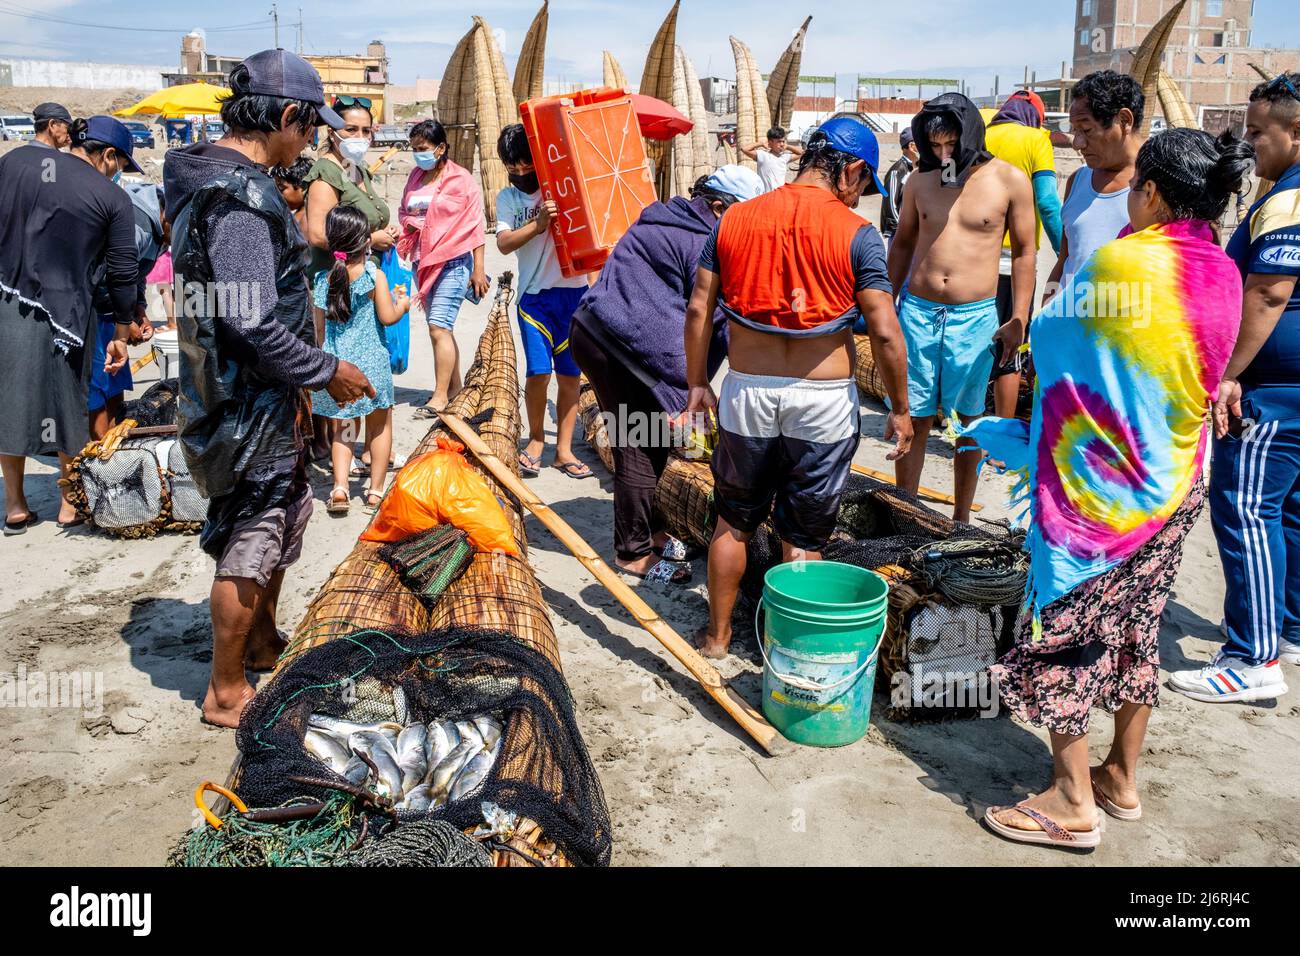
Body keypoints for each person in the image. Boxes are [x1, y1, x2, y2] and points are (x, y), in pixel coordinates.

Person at [962, 129, 1250, 848]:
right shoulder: (1221, 269)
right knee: (1135, 632)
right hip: (1177, 484)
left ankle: (1070, 801)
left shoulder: (1125, 261)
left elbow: (1055, 340)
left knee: (1064, 634)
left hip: (1100, 502)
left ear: (1150, 191)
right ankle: (1120, 779)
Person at [164, 50, 373, 726]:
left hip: (249, 395)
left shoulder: (215, 182)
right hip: (243, 404)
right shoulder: (242, 198)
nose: (311, 141)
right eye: (310, 128)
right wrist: (326, 370)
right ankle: (226, 690)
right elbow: (251, 324)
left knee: (282, 518)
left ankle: (260, 642)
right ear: (286, 117)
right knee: (250, 539)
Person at [684, 116, 913, 659]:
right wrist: (901, 408)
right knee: (804, 536)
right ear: (852, 171)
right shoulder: (857, 235)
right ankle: (788, 649)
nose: (860, 199)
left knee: (733, 520)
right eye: (863, 186)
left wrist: (697, 383)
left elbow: (698, 307)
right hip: (823, 401)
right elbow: (884, 330)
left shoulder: (735, 218)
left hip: (747, 392)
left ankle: (716, 639)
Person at [1170, 72, 1300, 703]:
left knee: (1247, 508)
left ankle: (1252, 656)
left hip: (1272, 390)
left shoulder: (1288, 201)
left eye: (1258, 131)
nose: (1252, 143)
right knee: (1289, 509)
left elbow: (1270, 291)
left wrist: (1229, 375)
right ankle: (1286, 626)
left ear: (1295, 130)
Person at [571, 165, 763, 584]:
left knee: (646, 441)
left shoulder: (666, 215)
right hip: (616, 345)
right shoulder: (703, 243)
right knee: (640, 443)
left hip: (594, 330)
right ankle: (633, 553)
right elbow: (713, 316)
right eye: (742, 218)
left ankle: (651, 532)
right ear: (717, 208)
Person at [886, 92, 1036, 522]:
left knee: (968, 420)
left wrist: (1018, 318)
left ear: (971, 135)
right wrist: (885, 303)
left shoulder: (1009, 180)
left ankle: (960, 519)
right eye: (935, 146)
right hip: (917, 312)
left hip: (975, 318)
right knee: (912, 412)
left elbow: (1026, 252)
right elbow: (903, 243)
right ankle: (907, 513)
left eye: (952, 144)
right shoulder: (919, 180)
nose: (944, 153)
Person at [0, 115, 139, 535]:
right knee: (67, 402)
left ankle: (15, 504)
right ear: (108, 155)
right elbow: (122, 271)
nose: (117, 174)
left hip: (5, 297)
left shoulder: (16, 163)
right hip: (68, 314)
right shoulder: (110, 198)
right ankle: (67, 502)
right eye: (119, 165)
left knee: (10, 398)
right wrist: (120, 332)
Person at [495, 123, 593, 480]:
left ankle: (563, 450)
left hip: (575, 296)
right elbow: (503, 244)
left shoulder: (562, 190)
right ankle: (536, 439)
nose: (521, 172)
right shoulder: (509, 199)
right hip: (534, 300)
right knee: (538, 372)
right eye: (512, 166)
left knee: (570, 377)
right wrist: (537, 225)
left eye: (526, 163)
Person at [314, 205, 409, 515]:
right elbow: (388, 316)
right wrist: (403, 304)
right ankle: (375, 491)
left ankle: (340, 488)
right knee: (379, 428)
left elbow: (318, 332)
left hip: (338, 369)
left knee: (344, 430)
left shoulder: (321, 280)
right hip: (372, 368)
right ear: (364, 242)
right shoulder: (373, 276)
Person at [399, 119, 488, 417]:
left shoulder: (461, 180)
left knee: (439, 326)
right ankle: (455, 390)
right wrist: (409, 226)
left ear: (440, 148)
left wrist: (479, 268)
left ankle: (439, 398)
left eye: (423, 149)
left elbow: (475, 224)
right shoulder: (415, 176)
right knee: (440, 329)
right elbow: (404, 210)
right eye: (414, 149)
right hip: (421, 262)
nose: (418, 154)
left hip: (454, 261)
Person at [983, 90, 1063, 417]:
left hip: (971, 261)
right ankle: (1001, 430)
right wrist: (1065, 252)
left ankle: (961, 424)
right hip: (1012, 263)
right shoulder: (1035, 139)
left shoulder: (981, 134)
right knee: (1010, 349)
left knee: (974, 344)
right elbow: (1046, 201)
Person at [1045, 70, 1145, 300]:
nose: (1078, 143)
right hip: (1070, 325)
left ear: (1124, 120)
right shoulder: (1077, 181)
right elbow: (1066, 259)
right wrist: (1045, 314)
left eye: (1087, 130)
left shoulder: (1160, 184)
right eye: (1075, 131)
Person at [87, 176, 166, 441]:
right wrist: (126, 321)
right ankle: (97, 459)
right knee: (98, 385)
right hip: (95, 315)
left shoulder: (159, 228)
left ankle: (114, 449)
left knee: (115, 386)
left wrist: (140, 308)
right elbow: (110, 276)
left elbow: (136, 273)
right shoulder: (139, 225)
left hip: (115, 316)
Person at [303, 95, 396, 279]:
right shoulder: (326, 173)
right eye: (351, 129)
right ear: (331, 132)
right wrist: (370, 241)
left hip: (367, 281)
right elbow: (318, 235)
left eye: (366, 131)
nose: (360, 137)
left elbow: (366, 217)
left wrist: (386, 231)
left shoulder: (354, 167)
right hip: (338, 288)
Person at [879, 127, 918, 243]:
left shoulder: (916, 168)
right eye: (920, 143)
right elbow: (890, 205)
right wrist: (902, 232)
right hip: (899, 236)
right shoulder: (897, 171)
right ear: (911, 146)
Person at [740, 126, 804, 194]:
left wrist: (788, 146)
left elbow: (801, 153)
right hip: (766, 196)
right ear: (770, 142)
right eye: (779, 142)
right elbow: (744, 149)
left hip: (780, 195)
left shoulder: (784, 157)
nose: (782, 144)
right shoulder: (763, 156)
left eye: (783, 141)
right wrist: (761, 143)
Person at [273, 155, 313, 234]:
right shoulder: (295, 216)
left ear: (302, 187)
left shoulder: (306, 220)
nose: (277, 193)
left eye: (281, 188)